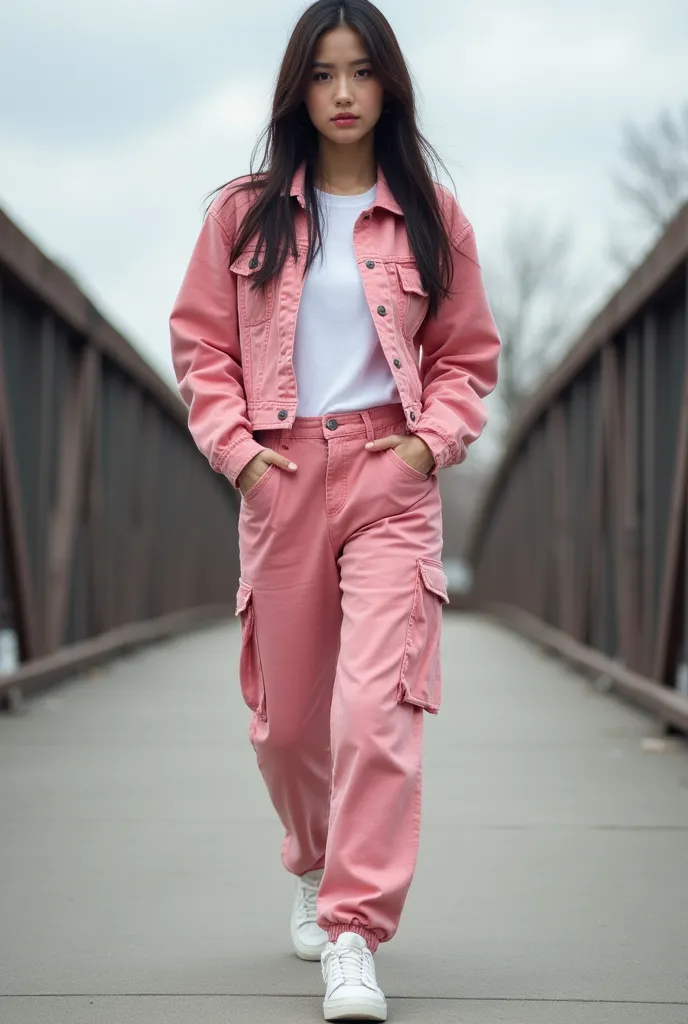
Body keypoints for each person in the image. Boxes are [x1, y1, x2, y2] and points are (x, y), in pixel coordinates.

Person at [170, 1, 500, 1019]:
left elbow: (466, 359)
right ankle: (313, 862)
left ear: (389, 84)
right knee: (285, 726)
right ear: (297, 89)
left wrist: (424, 448)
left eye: (362, 72)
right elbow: (201, 349)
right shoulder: (242, 213)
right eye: (324, 74)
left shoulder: (433, 216)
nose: (345, 94)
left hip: (387, 477)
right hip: (280, 473)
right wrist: (244, 461)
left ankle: (353, 932)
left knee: (376, 708)